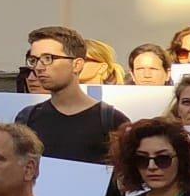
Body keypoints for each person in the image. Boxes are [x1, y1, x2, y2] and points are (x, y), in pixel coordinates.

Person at [17, 27, 131, 166]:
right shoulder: (27, 117)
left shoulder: (111, 120)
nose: (39, 67)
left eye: (48, 58)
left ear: (77, 65)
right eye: (34, 60)